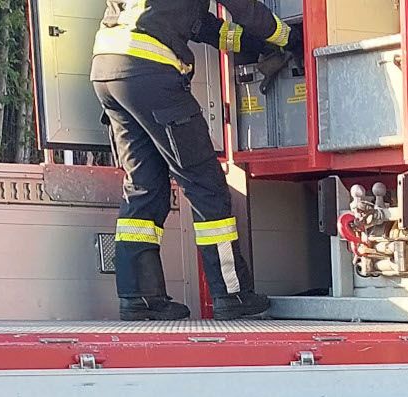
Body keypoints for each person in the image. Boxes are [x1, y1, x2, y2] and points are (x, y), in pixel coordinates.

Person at [93, 0, 300, 321]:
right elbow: (246, 10)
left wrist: (253, 44)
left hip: (108, 71)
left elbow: (199, 24)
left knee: (144, 185)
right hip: (151, 72)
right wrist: (289, 37)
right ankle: (231, 293)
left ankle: (140, 297)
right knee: (206, 185)